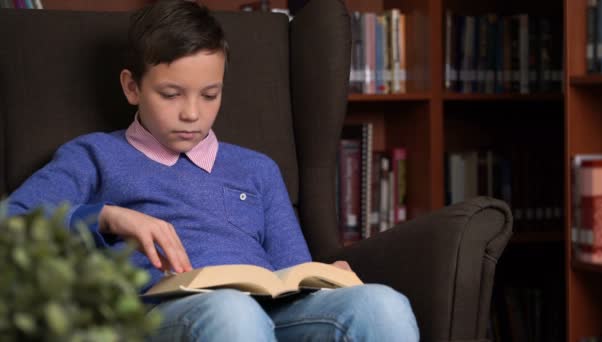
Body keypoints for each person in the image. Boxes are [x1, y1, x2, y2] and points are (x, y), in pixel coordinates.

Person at [5, 0, 419, 340]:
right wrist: (107, 217)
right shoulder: (93, 155)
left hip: (273, 313)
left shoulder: (258, 169)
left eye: (209, 95)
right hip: (167, 314)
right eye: (170, 94)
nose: (191, 114)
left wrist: (325, 279)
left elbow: (292, 268)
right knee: (234, 314)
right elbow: (12, 225)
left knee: (384, 304)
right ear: (132, 87)